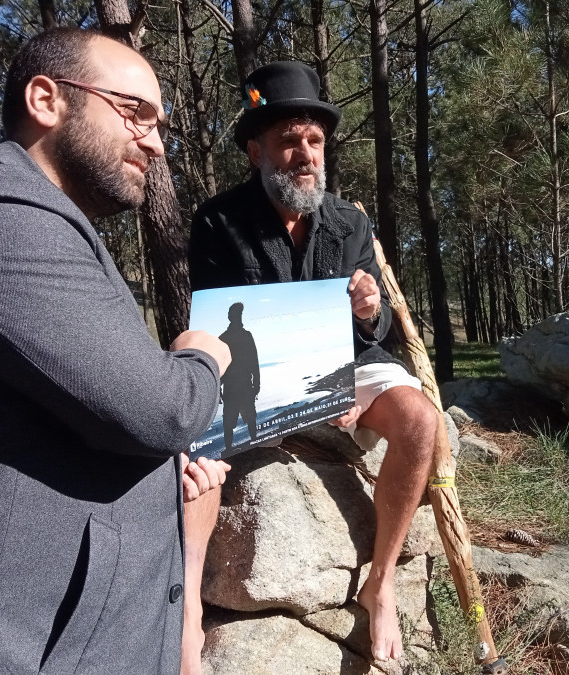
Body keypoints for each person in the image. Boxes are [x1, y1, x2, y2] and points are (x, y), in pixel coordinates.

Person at [0, 28, 230, 674]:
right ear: (45, 99)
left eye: (161, 125)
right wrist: (200, 356)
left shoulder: (42, 222)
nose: (154, 140)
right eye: (134, 112)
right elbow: (163, 408)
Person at [188, 61, 438, 664]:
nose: (305, 154)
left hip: (347, 364)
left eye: (315, 141)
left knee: (421, 421)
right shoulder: (217, 222)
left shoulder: (351, 222)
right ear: (256, 150)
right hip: (251, 370)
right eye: (288, 141)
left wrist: (368, 310)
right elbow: (219, 328)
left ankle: (379, 585)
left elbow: (373, 331)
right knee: (193, 442)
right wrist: (312, 390)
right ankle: (189, 612)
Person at [219, 302, 261, 451]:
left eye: (238, 314)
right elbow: (219, 366)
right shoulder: (224, 338)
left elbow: (253, 361)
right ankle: (230, 448)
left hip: (242, 385)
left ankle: (254, 441)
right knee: (230, 421)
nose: (238, 317)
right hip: (233, 387)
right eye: (236, 314)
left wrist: (257, 383)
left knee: (249, 418)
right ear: (231, 317)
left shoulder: (227, 337)